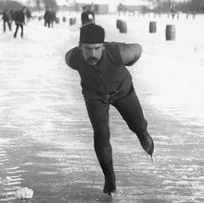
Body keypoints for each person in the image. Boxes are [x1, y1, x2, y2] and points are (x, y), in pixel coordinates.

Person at [65, 23, 154, 196]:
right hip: (95, 95)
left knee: (138, 127)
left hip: (123, 92)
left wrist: (128, 62)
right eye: (88, 49)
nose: (92, 54)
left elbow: (138, 49)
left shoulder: (118, 52)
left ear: (103, 46)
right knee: (101, 133)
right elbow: (69, 57)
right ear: (80, 47)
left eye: (97, 48)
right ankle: (109, 178)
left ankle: (143, 134)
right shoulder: (73, 57)